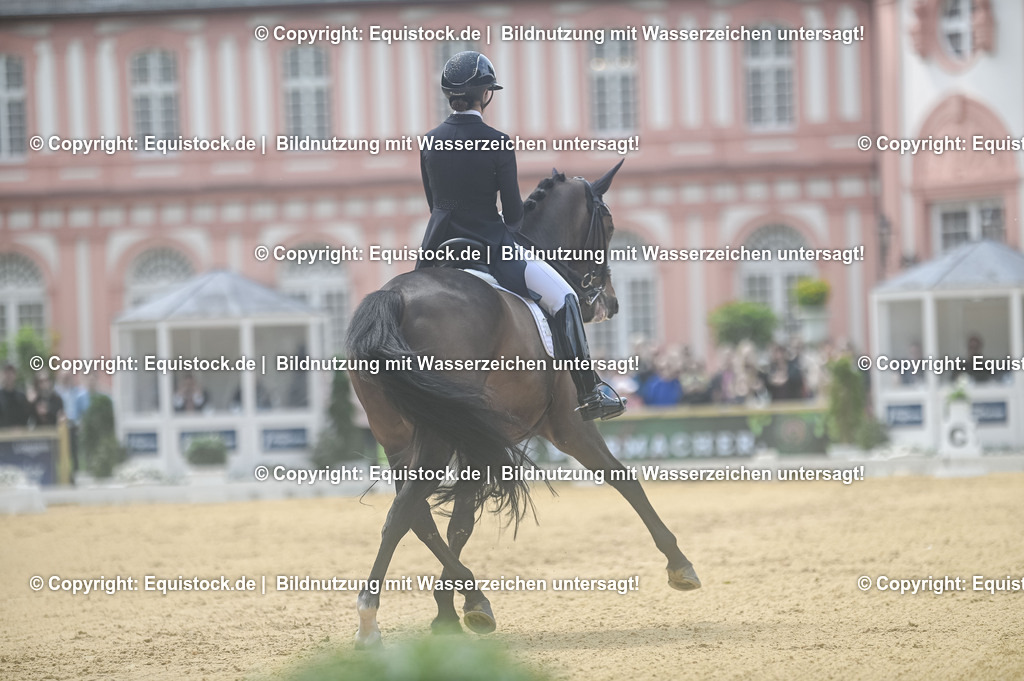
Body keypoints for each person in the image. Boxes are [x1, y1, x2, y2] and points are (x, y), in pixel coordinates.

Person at [417, 51, 623, 421]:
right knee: (564, 298)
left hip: (439, 251)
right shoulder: (497, 142)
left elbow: (436, 204)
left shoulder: (431, 141)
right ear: (485, 95)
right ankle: (590, 392)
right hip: (491, 249)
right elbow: (513, 214)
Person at [0, 363, 31, 428]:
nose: (9, 376)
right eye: (7, 373)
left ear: (15, 375)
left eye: (11, 373)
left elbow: (26, 416)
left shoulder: (21, 396)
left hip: (19, 434)